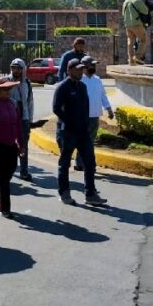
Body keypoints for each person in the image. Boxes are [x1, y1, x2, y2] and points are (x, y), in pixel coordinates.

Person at [54, 60, 106, 206]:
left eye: (82, 69)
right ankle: (64, 193)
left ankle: (90, 194)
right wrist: (69, 121)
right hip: (68, 132)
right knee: (65, 164)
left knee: (89, 162)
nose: (80, 72)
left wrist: (85, 124)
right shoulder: (62, 87)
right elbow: (56, 108)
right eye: (77, 69)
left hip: (83, 132)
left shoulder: (82, 87)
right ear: (69, 70)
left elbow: (86, 107)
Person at [0, 76, 25, 218]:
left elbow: (18, 125)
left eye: (9, 89)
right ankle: (5, 208)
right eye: (5, 89)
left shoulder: (13, 104)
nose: (8, 91)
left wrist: (21, 143)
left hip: (11, 145)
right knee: (2, 178)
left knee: (9, 173)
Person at [78, 56, 113, 172]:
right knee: (83, 140)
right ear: (84, 66)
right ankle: (82, 163)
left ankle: (87, 163)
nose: (93, 67)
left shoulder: (97, 80)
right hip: (82, 116)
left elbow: (103, 95)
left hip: (94, 116)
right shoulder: (79, 80)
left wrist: (108, 108)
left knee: (90, 141)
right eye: (91, 65)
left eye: (94, 65)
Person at [8, 59, 34, 180]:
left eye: (18, 68)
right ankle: (8, 169)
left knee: (23, 145)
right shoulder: (6, 82)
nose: (16, 71)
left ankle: (24, 170)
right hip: (9, 120)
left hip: (23, 119)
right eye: (13, 68)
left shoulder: (26, 83)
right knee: (9, 145)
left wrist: (29, 120)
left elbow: (30, 103)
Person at [122, 0, 151, 65]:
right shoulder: (138, 1)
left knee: (130, 42)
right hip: (137, 23)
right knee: (143, 39)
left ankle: (131, 60)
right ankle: (137, 57)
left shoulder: (126, 2)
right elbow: (146, 11)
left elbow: (123, 13)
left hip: (127, 25)